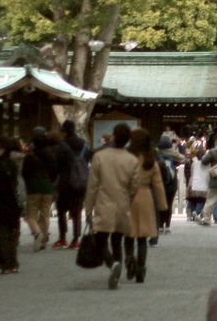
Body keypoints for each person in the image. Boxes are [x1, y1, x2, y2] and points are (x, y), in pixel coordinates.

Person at [85, 123, 138, 290]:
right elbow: (135, 185)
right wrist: (128, 198)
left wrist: (88, 208)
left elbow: (92, 185)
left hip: (103, 202)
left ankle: (111, 263)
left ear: (113, 136)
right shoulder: (132, 159)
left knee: (101, 240)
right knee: (117, 239)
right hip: (122, 203)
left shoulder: (100, 156)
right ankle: (118, 267)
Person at [125, 128, 167, 284]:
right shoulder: (151, 161)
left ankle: (129, 260)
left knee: (128, 235)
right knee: (142, 237)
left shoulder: (127, 158)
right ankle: (141, 269)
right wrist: (162, 205)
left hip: (128, 196)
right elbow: (158, 184)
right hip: (145, 196)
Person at [0, 137, 22, 275]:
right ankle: (13, 263)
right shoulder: (12, 165)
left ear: (2, 149)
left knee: (0, 235)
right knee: (10, 235)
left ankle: (5, 264)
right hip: (11, 203)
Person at [52, 120, 87, 250]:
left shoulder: (62, 146)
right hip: (80, 181)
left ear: (65, 131)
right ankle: (75, 239)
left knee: (61, 210)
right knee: (77, 211)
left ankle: (62, 238)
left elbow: (57, 165)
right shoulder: (84, 144)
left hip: (65, 183)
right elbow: (86, 161)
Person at [22, 128, 57, 251]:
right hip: (47, 187)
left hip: (33, 188)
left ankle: (37, 233)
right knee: (45, 215)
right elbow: (54, 171)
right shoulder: (50, 154)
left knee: (31, 215)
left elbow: (24, 173)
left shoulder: (30, 156)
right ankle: (43, 240)